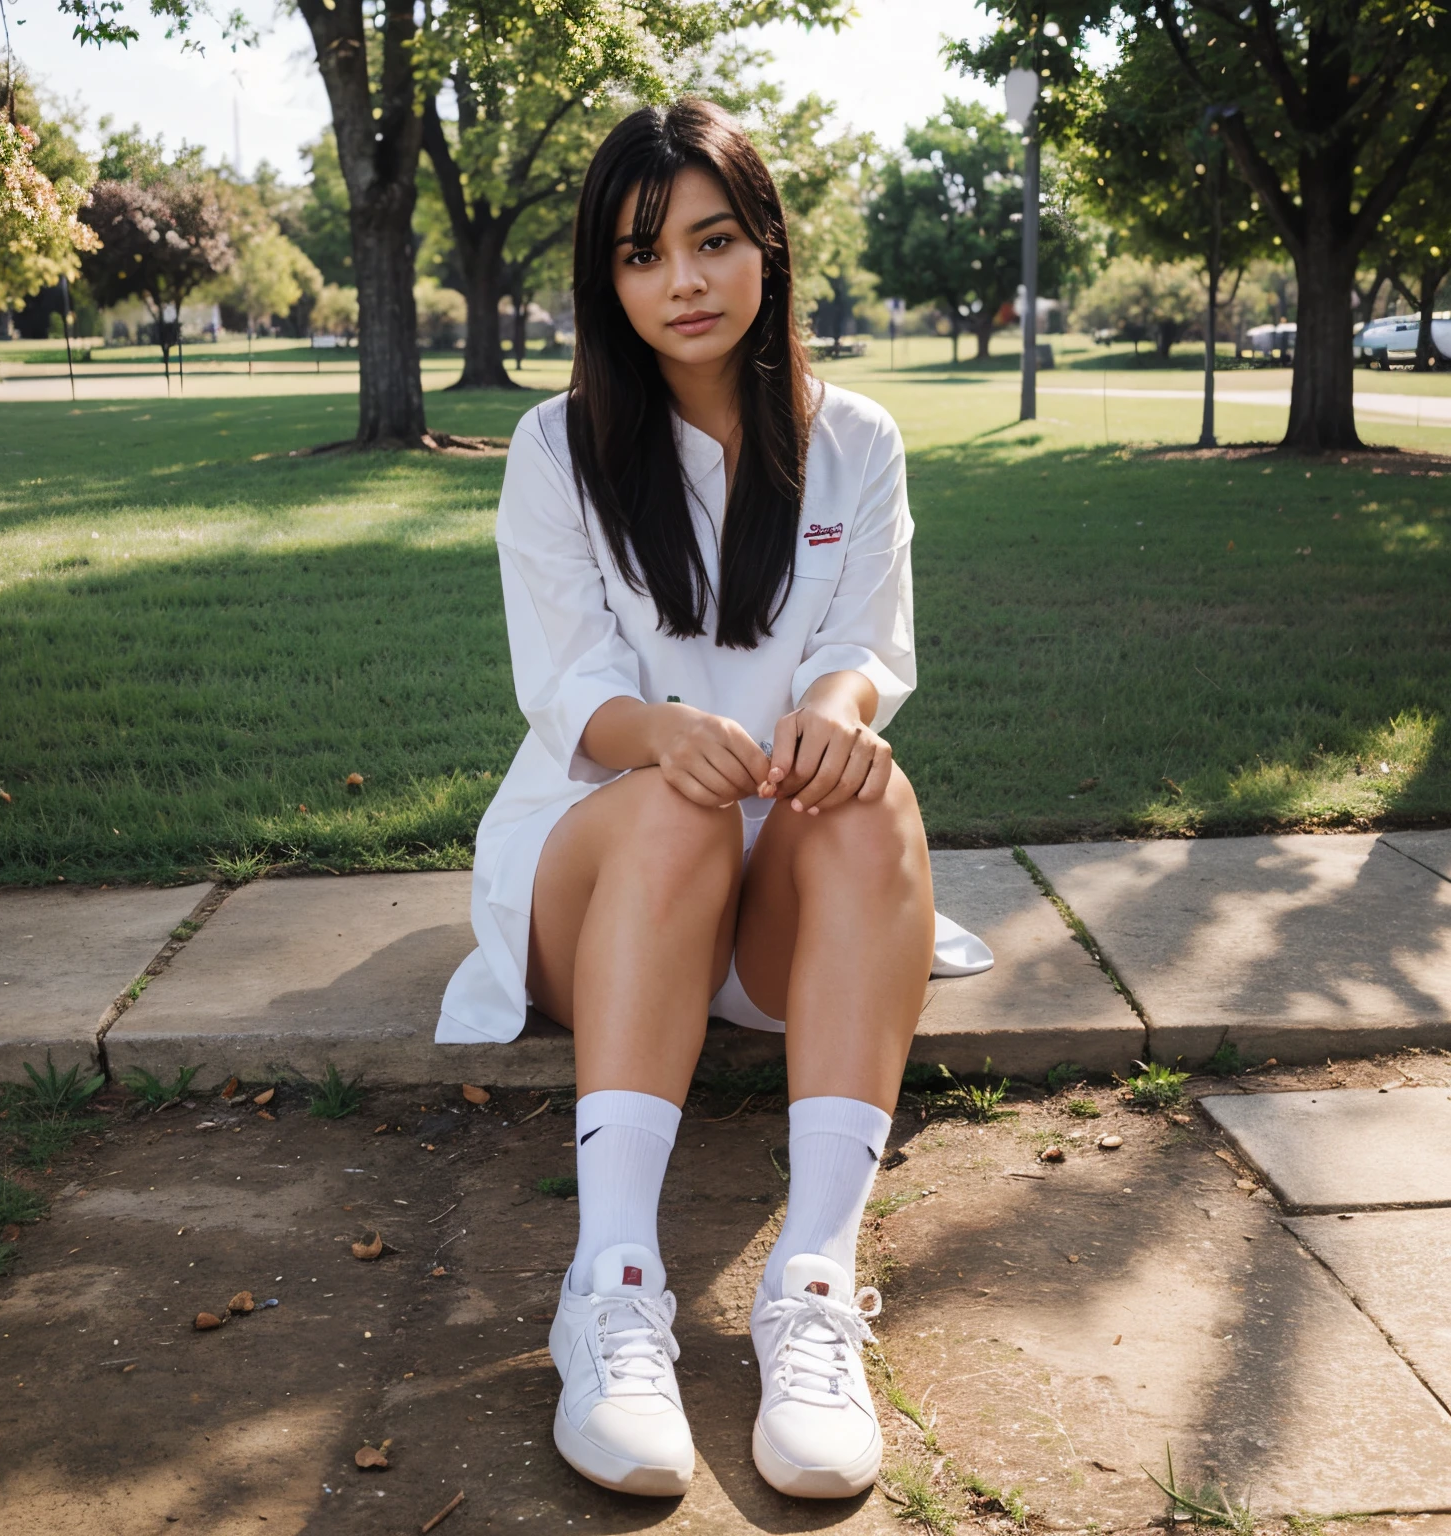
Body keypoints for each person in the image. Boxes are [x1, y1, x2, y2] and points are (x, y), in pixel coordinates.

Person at [435, 97, 980, 1501]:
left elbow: (865, 649)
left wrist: (836, 719)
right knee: (674, 801)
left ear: (766, 251)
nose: (681, 280)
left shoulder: (854, 440)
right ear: (605, 283)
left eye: (712, 241)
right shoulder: (560, 451)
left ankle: (811, 1285)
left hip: (777, 908)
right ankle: (610, 1285)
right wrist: (667, 736)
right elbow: (569, 694)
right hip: (603, 873)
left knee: (875, 799)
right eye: (641, 253)